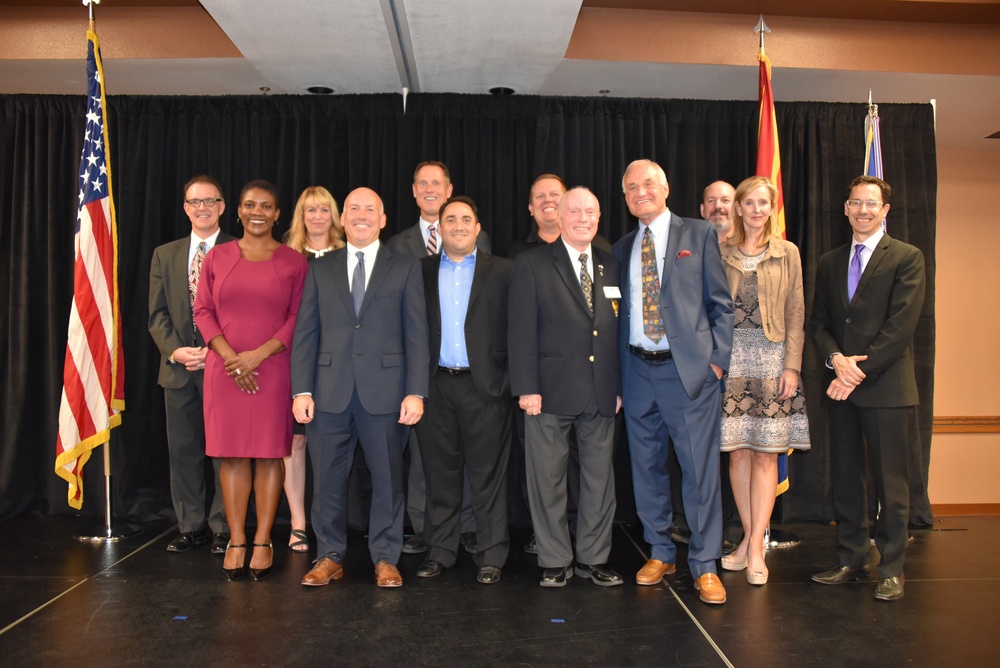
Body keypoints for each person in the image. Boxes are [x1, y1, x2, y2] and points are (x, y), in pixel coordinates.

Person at [292, 187, 429, 589]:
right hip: (328, 392)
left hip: (386, 395)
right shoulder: (320, 268)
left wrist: (415, 391)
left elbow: (417, 335)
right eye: (354, 209)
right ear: (343, 218)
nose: (362, 215)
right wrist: (302, 389)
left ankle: (386, 557)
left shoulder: (405, 267)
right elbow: (306, 333)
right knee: (328, 481)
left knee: (387, 479)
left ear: (383, 219)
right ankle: (328, 556)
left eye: (371, 209)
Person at [612, 159, 733, 605]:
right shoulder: (623, 247)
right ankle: (660, 551)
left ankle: (704, 565)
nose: (639, 192)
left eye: (647, 184)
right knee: (645, 468)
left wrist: (716, 364)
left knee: (699, 473)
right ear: (624, 198)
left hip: (689, 375)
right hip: (637, 372)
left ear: (665, 188)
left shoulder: (698, 234)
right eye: (630, 188)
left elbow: (721, 304)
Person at [809, 175, 925, 602]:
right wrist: (835, 361)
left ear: (885, 210)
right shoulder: (830, 260)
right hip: (841, 387)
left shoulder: (907, 258)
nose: (863, 210)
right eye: (855, 202)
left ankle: (891, 567)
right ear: (845, 208)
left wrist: (856, 371)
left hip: (886, 390)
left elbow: (901, 327)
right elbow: (819, 323)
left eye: (871, 203)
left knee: (891, 485)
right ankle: (852, 558)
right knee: (845, 480)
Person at [194, 179, 308, 581]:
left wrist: (258, 355)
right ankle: (237, 538)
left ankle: (263, 539)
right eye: (249, 205)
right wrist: (231, 359)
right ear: (238, 211)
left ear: (277, 214)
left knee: (269, 453)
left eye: (266, 206)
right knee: (233, 455)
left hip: (273, 369)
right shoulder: (218, 257)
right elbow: (203, 311)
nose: (257, 211)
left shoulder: (295, 261)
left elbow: (299, 318)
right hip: (225, 372)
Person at [509, 187, 623, 588]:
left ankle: (593, 558)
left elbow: (616, 332)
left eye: (590, 212)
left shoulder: (612, 265)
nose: (583, 219)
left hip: (602, 390)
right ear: (558, 215)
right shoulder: (532, 264)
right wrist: (525, 386)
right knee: (547, 479)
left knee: (598, 480)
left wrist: (619, 384)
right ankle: (555, 558)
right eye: (575, 211)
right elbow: (520, 332)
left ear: (599, 217)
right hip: (548, 391)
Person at [388, 161, 487, 556]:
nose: (430, 188)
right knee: (422, 455)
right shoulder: (397, 245)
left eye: (437, 183)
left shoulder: (478, 239)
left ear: (449, 189)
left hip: (468, 372)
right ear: (414, 191)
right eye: (423, 183)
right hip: (420, 369)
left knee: (463, 454)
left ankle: (464, 525)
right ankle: (423, 526)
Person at [414, 195, 514, 584]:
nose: (457, 225)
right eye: (449, 219)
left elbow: (517, 329)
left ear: (477, 228)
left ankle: (491, 554)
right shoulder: (418, 271)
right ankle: (440, 550)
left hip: (484, 387)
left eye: (465, 219)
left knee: (487, 476)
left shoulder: (505, 271)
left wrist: (506, 383)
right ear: (438, 228)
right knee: (440, 474)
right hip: (435, 385)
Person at [718, 176, 810, 586]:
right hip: (732, 361)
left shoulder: (787, 252)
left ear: (772, 208)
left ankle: (755, 546)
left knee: (765, 454)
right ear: (737, 208)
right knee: (737, 453)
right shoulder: (720, 251)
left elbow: (796, 311)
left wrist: (791, 366)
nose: (756, 209)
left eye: (763, 202)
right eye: (749, 203)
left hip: (773, 359)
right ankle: (747, 538)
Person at [148, 175, 233, 556]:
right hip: (179, 370)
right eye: (194, 202)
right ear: (185, 208)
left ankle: (223, 527)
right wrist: (175, 350)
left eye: (209, 201)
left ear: (222, 207)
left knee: (225, 452)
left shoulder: (239, 249)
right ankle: (191, 526)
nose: (202, 207)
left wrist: (218, 351)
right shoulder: (165, 254)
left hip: (224, 368)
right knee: (184, 453)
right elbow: (157, 315)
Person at [281, 186, 345, 552]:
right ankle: (299, 522)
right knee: (297, 441)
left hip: (338, 367)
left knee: (333, 444)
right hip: (297, 361)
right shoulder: (287, 257)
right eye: (310, 211)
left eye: (324, 209)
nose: (317, 217)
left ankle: (332, 521)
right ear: (300, 216)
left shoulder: (347, 253)